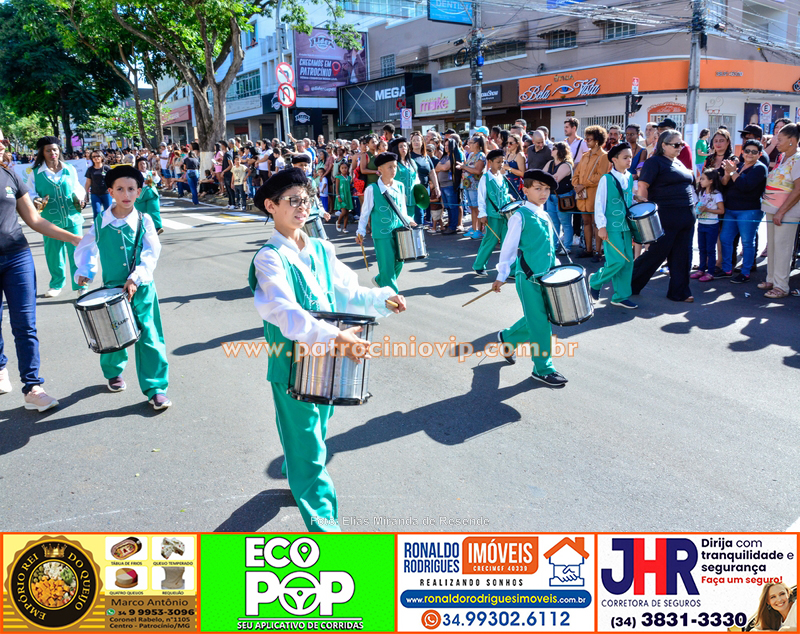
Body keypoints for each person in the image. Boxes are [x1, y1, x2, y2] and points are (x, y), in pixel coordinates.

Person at [250, 168, 405, 531]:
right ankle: (325, 525)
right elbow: (284, 313)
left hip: (327, 361)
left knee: (316, 428)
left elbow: (348, 291)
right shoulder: (269, 257)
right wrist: (337, 338)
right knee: (308, 442)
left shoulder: (321, 247)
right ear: (271, 207)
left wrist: (384, 298)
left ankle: (297, 467)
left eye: (305, 199)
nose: (301, 206)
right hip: (292, 361)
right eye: (292, 200)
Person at [75, 165, 171, 410]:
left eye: (131, 189)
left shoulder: (144, 220)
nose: (126, 194)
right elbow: (87, 247)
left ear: (139, 192)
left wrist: (137, 276)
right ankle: (113, 372)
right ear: (110, 191)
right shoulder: (101, 221)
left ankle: (156, 387)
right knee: (111, 334)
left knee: (149, 337)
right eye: (120, 189)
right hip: (112, 292)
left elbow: (151, 253)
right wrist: (85, 270)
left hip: (142, 289)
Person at [0, 156, 82, 411]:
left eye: (4, 141)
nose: (4, 146)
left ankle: (32, 387)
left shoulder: (9, 175)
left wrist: (75, 239)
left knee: (25, 324)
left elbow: (34, 220)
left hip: (17, 257)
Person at [491, 169, 567, 387]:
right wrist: (501, 275)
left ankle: (507, 338)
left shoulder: (543, 213)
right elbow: (509, 247)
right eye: (537, 188)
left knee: (540, 318)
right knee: (541, 323)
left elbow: (548, 247)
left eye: (546, 189)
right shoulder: (519, 216)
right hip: (529, 278)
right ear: (525, 190)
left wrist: (558, 269)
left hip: (548, 277)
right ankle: (543, 368)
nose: (543, 193)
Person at [631, 129, 696, 302]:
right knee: (656, 254)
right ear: (664, 145)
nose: (680, 147)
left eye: (681, 144)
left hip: (686, 215)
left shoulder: (679, 163)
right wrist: (645, 212)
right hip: (666, 216)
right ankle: (628, 283)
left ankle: (680, 292)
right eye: (676, 144)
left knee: (683, 256)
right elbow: (643, 187)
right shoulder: (654, 162)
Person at [32, 136, 87, 298]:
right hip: (49, 221)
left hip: (72, 218)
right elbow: (30, 192)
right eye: (48, 150)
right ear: (42, 152)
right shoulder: (36, 173)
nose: (52, 153)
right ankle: (56, 284)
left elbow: (77, 186)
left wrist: (80, 197)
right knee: (54, 253)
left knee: (77, 252)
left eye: (55, 149)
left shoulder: (69, 168)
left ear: (59, 151)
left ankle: (81, 285)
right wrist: (35, 199)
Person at [355, 152, 416, 292]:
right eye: (389, 167)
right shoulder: (372, 189)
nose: (393, 170)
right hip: (382, 233)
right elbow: (365, 213)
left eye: (395, 166)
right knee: (387, 264)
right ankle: (391, 296)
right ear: (380, 170)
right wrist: (361, 231)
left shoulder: (400, 186)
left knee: (399, 262)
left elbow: (402, 211)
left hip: (400, 231)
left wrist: (410, 221)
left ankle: (380, 280)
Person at [590, 142, 637, 308]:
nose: (629, 160)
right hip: (611, 227)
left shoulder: (630, 177)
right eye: (625, 157)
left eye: (630, 157)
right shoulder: (606, 179)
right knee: (617, 260)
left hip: (626, 227)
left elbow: (628, 200)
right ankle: (595, 280)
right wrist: (601, 226)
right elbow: (599, 203)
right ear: (614, 160)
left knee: (628, 261)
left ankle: (620, 296)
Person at [718, 139, 767, 283]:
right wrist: (728, 173)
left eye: (754, 152)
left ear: (759, 154)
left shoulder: (760, 168)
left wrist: (733, 172)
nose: (750, 154)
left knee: (747, 242)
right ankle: (726, 269)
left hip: (749, 210)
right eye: (747, 151)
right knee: (725, 239)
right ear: (742, 152)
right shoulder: (739, 166)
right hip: (731, 209)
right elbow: (725, 184)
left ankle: (745, 272)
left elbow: (745, 186)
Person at [761, 122, 800, 299]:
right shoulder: (782, 157)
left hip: (786, 211)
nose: (776, 142)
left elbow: (798, 189)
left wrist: (781, 211)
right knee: (774, 246)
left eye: (780, 139)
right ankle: (771, 279)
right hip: (772, 209)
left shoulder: (798, 159)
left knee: (783, 248)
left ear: (792, 140)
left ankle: (781, 286)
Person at [473, 149, 514, 276]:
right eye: (498, 162)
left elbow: (504, 194)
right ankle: (479, 265)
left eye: (502, 161)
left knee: (508, 242)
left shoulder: (502, 177)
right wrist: (482, 214)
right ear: (490, 162)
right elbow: (481, 197)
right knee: (490, 240)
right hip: (492, 215)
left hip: (505, 216)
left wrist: (510, 198)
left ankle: (510, 270)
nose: (501, 164)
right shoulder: (485, 178)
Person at [572, 125, 610, 262]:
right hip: (583, 194)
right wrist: (576, 185)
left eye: (589, 139)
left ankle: (598, 252)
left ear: (597, 140)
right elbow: (576, 173)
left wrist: (583, 185)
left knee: (596, 223)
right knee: (586, 222)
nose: (586, 141)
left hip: (595, 194)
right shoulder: (585, 155)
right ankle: (588, 249)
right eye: (586, 138)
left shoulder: (604, 156)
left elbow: (601, 176)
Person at [691, 168, 725, 283]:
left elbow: (721, 211)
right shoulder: (701, 192)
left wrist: (707, 209)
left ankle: (710, 272)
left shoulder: (717, 195)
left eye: (703, 179)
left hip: (712, 225)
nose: (700, 181)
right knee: (702, 248)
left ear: (711, 181)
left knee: (710, 250)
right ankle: (701, 269)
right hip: (701, 224)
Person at [543, 142, 576, 255]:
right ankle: (554, 245)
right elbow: (543, 175)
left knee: (565, 222)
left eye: (554, 148)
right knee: (553, 223)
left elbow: (554, 179)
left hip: (564, 197)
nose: (551, 150)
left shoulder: (566, 165)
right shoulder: (550, 163)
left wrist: (547, 178)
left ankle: (567, 246)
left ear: (560, 151)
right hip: (551, 196)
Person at [457, 136, 486, 239]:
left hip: (475, 186)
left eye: (471, 143)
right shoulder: (471, 155)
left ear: (477, 144)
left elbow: (478, 171)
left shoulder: (481, 156)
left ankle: (479, 229)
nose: (469, 145)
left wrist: (464, 167)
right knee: (472, 208)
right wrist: (463, 166)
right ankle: (474, 228)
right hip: (468, 185)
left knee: (477, 208)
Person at [436, 138, 464, 234]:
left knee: (453, 207)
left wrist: (441, 167)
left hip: (450, 185)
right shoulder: (444, 157)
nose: (446, 147)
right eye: (445, 145)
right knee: (448, 207)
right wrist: (441, 167)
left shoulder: (454, 156)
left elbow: (444, 167)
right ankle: (450, 225)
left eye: (448, 145)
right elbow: (436, 168)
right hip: (442, 185)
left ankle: (453, 227)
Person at [134, 157, 163, 234]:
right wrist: (143, 182)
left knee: (154, 210)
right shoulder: (135, 174)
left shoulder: (150, 172)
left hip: (151, 194)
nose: (142, 165)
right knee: (140, 213)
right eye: (140, 164)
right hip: (140, 196)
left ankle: (158, 227)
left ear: (146, 165)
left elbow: (157, 181)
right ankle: (141, 229)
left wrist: (155, 176)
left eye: (143, 164)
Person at [84, 151, 112, 218]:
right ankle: (97, 227)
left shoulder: (106, 168)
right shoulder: (90, 169)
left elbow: (113, 180)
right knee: (97, 212)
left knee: (108, 212)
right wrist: (85, 194)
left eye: (98, 156)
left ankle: (109, 227)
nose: (96, 158)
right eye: (94, 157)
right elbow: (88, 182)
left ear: (102, 157)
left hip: (107, 193)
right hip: (95, 194)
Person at [503, 133, 526, 198]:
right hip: (507, 183)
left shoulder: (519, 155)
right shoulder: (508, 154)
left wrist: (509, 168)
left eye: (511, 143)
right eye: (507, 143)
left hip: (516, 185)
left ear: (517, 143)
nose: (508, 145)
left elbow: (522, 173)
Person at [334, 162, 353, 233]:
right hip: (341, 196)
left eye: (345, 168)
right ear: (340, 169)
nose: (344, 169)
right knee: (344, 211)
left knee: (347, 213)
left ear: (348, 169)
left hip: (348, 197)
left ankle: (344, 228)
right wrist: (337, 196)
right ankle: (338, 222)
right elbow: (336, 188)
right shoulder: (338, 177)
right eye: (342, 168)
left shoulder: (349, 178)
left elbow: (350, 187)